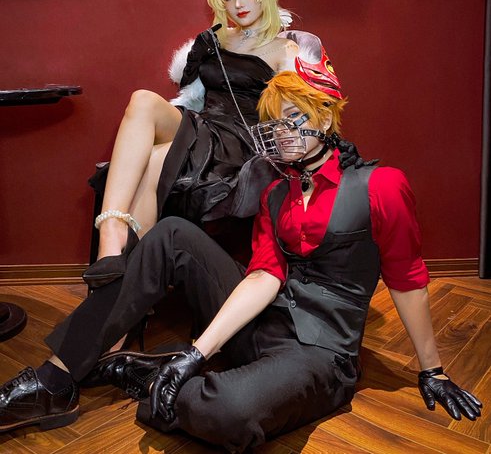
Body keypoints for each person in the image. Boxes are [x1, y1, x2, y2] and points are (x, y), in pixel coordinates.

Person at [0, 58, 482, 450]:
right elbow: (263, 276)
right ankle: (54, 382)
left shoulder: (382, 186)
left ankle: (153, 376)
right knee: (171, 233)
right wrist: (197, 353)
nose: (283, 131)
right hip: (261, 322)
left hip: (320, 352)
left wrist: (432, 370)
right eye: (274, 121)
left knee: (225, 412)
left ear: (326, 116)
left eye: (295, 117)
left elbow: (407, 278)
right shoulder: (277, 192)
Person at [83, 0, 302, 288]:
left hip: (238, 141)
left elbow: (295, 113)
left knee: (156, 158)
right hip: (202, 125)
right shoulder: (214, 39)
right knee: (143, 99)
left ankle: (130, 281)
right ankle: (112, 233)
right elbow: (189, 88)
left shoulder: (285, 50)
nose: (237, 4)